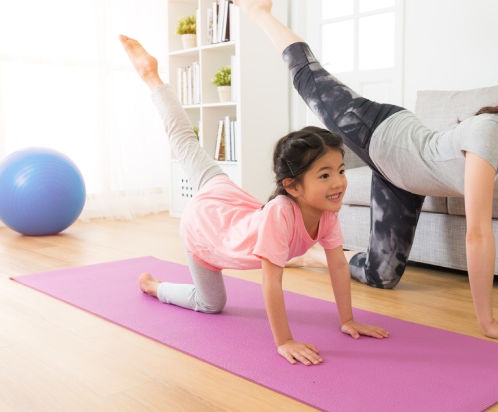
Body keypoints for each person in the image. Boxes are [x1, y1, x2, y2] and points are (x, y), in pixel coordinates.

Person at [233, 0, 498, 346]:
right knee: (310, 79)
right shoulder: (492, 132)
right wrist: (488, 322)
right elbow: (477, 234)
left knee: (383, 277)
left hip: (404, 181)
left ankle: (310, 257)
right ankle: (259, 11)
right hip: (380, 132)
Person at [118, 34, 388, 366]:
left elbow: (336, 263)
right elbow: (272, 282)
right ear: (293, 186)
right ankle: (156, 288)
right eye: (324, 175)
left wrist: (347, 319)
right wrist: (284, 341)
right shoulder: (280, 214)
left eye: (341, 170)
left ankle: (152, 77)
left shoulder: (325, 208)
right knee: (210, 304)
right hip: (205, 227)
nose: (339, 183)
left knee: (187, 143)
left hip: (225, 196)